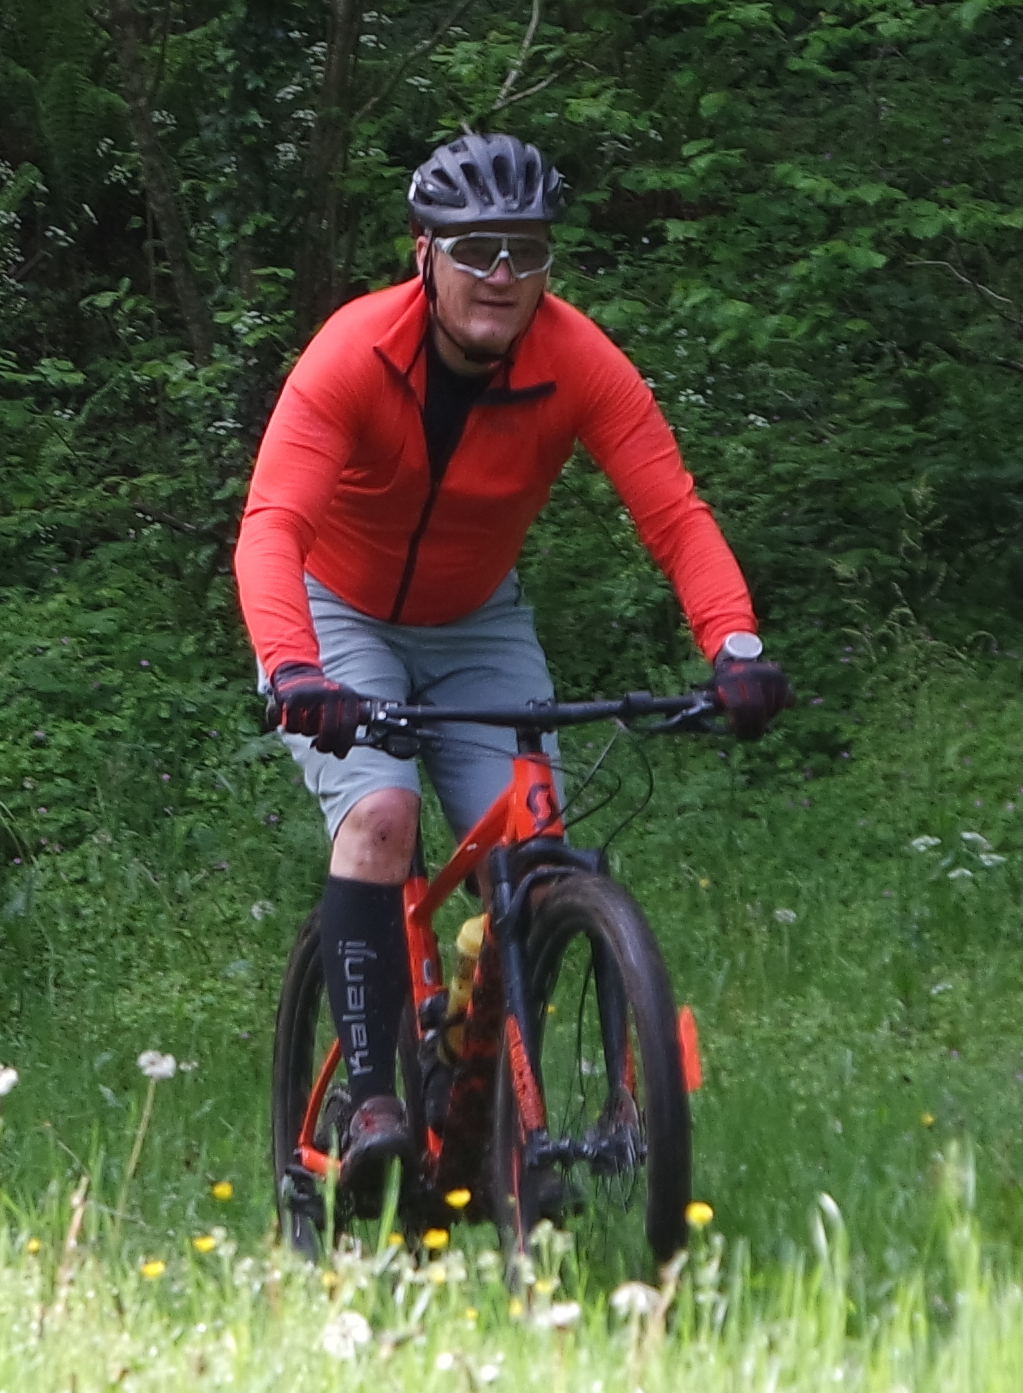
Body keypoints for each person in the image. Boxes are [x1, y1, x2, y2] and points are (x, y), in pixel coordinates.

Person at [234, 133, 791, 1188]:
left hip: (475, 617)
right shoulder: (354, 353)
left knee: (536, 855)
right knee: (381, 815)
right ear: (424, 253)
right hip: (337, 609)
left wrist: (736, 645)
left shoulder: (577, 361)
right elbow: (272, 527)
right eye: (476, 248)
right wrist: (295, 669)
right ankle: (372, 1097)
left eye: (525, 251)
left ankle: (497, 1105)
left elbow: (674, 515)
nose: (501, 273)